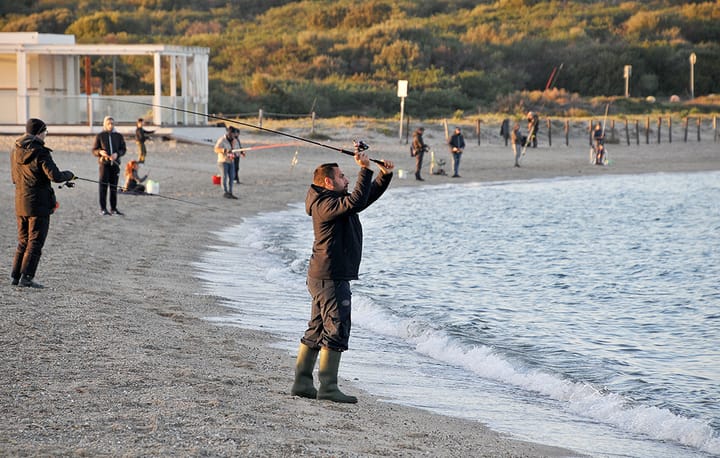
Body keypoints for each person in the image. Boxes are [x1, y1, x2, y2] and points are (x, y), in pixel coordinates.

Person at [291, 152, 394, 403]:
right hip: (330, 277)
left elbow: (362, 199)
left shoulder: (329, 200)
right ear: (327, 182)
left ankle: (303, 382)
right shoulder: (325, 205)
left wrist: (384, 175)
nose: (346, 179)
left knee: (317, 328)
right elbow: (356, 201)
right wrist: (365, 169)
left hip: (323, 276)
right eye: (341, 176)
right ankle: (328, 387)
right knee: (337, 329)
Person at [10, 118, 75, 288]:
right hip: (38, 204)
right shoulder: (41, 152)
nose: (46, 135)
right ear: (39, 132)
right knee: (35, 241)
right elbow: (55, 176)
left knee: (23, 240)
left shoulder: (15, 149)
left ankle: (16, 276)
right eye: (45, 132)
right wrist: (69, 174)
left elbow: (14, 178)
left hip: (20, 202)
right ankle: (27, 277)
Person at [92, 116, 126, 216]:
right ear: (105, 124)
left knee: (114, 187)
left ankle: (114, 208)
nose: (110, 125)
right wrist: (100, 152)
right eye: (108, 123)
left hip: (115, 165)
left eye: (112, 123)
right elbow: (94, 150)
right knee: (103, 187)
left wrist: (117, 154)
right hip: (104, 165)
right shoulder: (100, 136)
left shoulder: (118, 136)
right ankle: (103, 209)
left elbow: (123, 149)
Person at [214, 126, 244, 199]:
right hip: (223, 161)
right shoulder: (222, 140)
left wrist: (240, 153)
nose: (233, 135)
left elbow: (236, 150)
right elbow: (216, 149)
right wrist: (224, 150)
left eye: (234, 134)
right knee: (224, 177)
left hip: (231, 161)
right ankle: (225, 192)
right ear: (229, 133)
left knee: (232, 177)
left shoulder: (235, 140)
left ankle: (230, 192)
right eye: (231, 134)